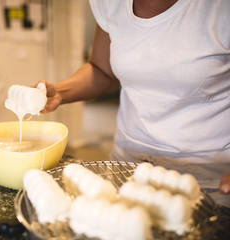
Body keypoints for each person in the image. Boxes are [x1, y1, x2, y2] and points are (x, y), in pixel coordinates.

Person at [35, 0, 230, 207]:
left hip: (207, 180)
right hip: (129, 170)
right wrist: (59, 93)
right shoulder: (110, 4)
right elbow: (101, 69)